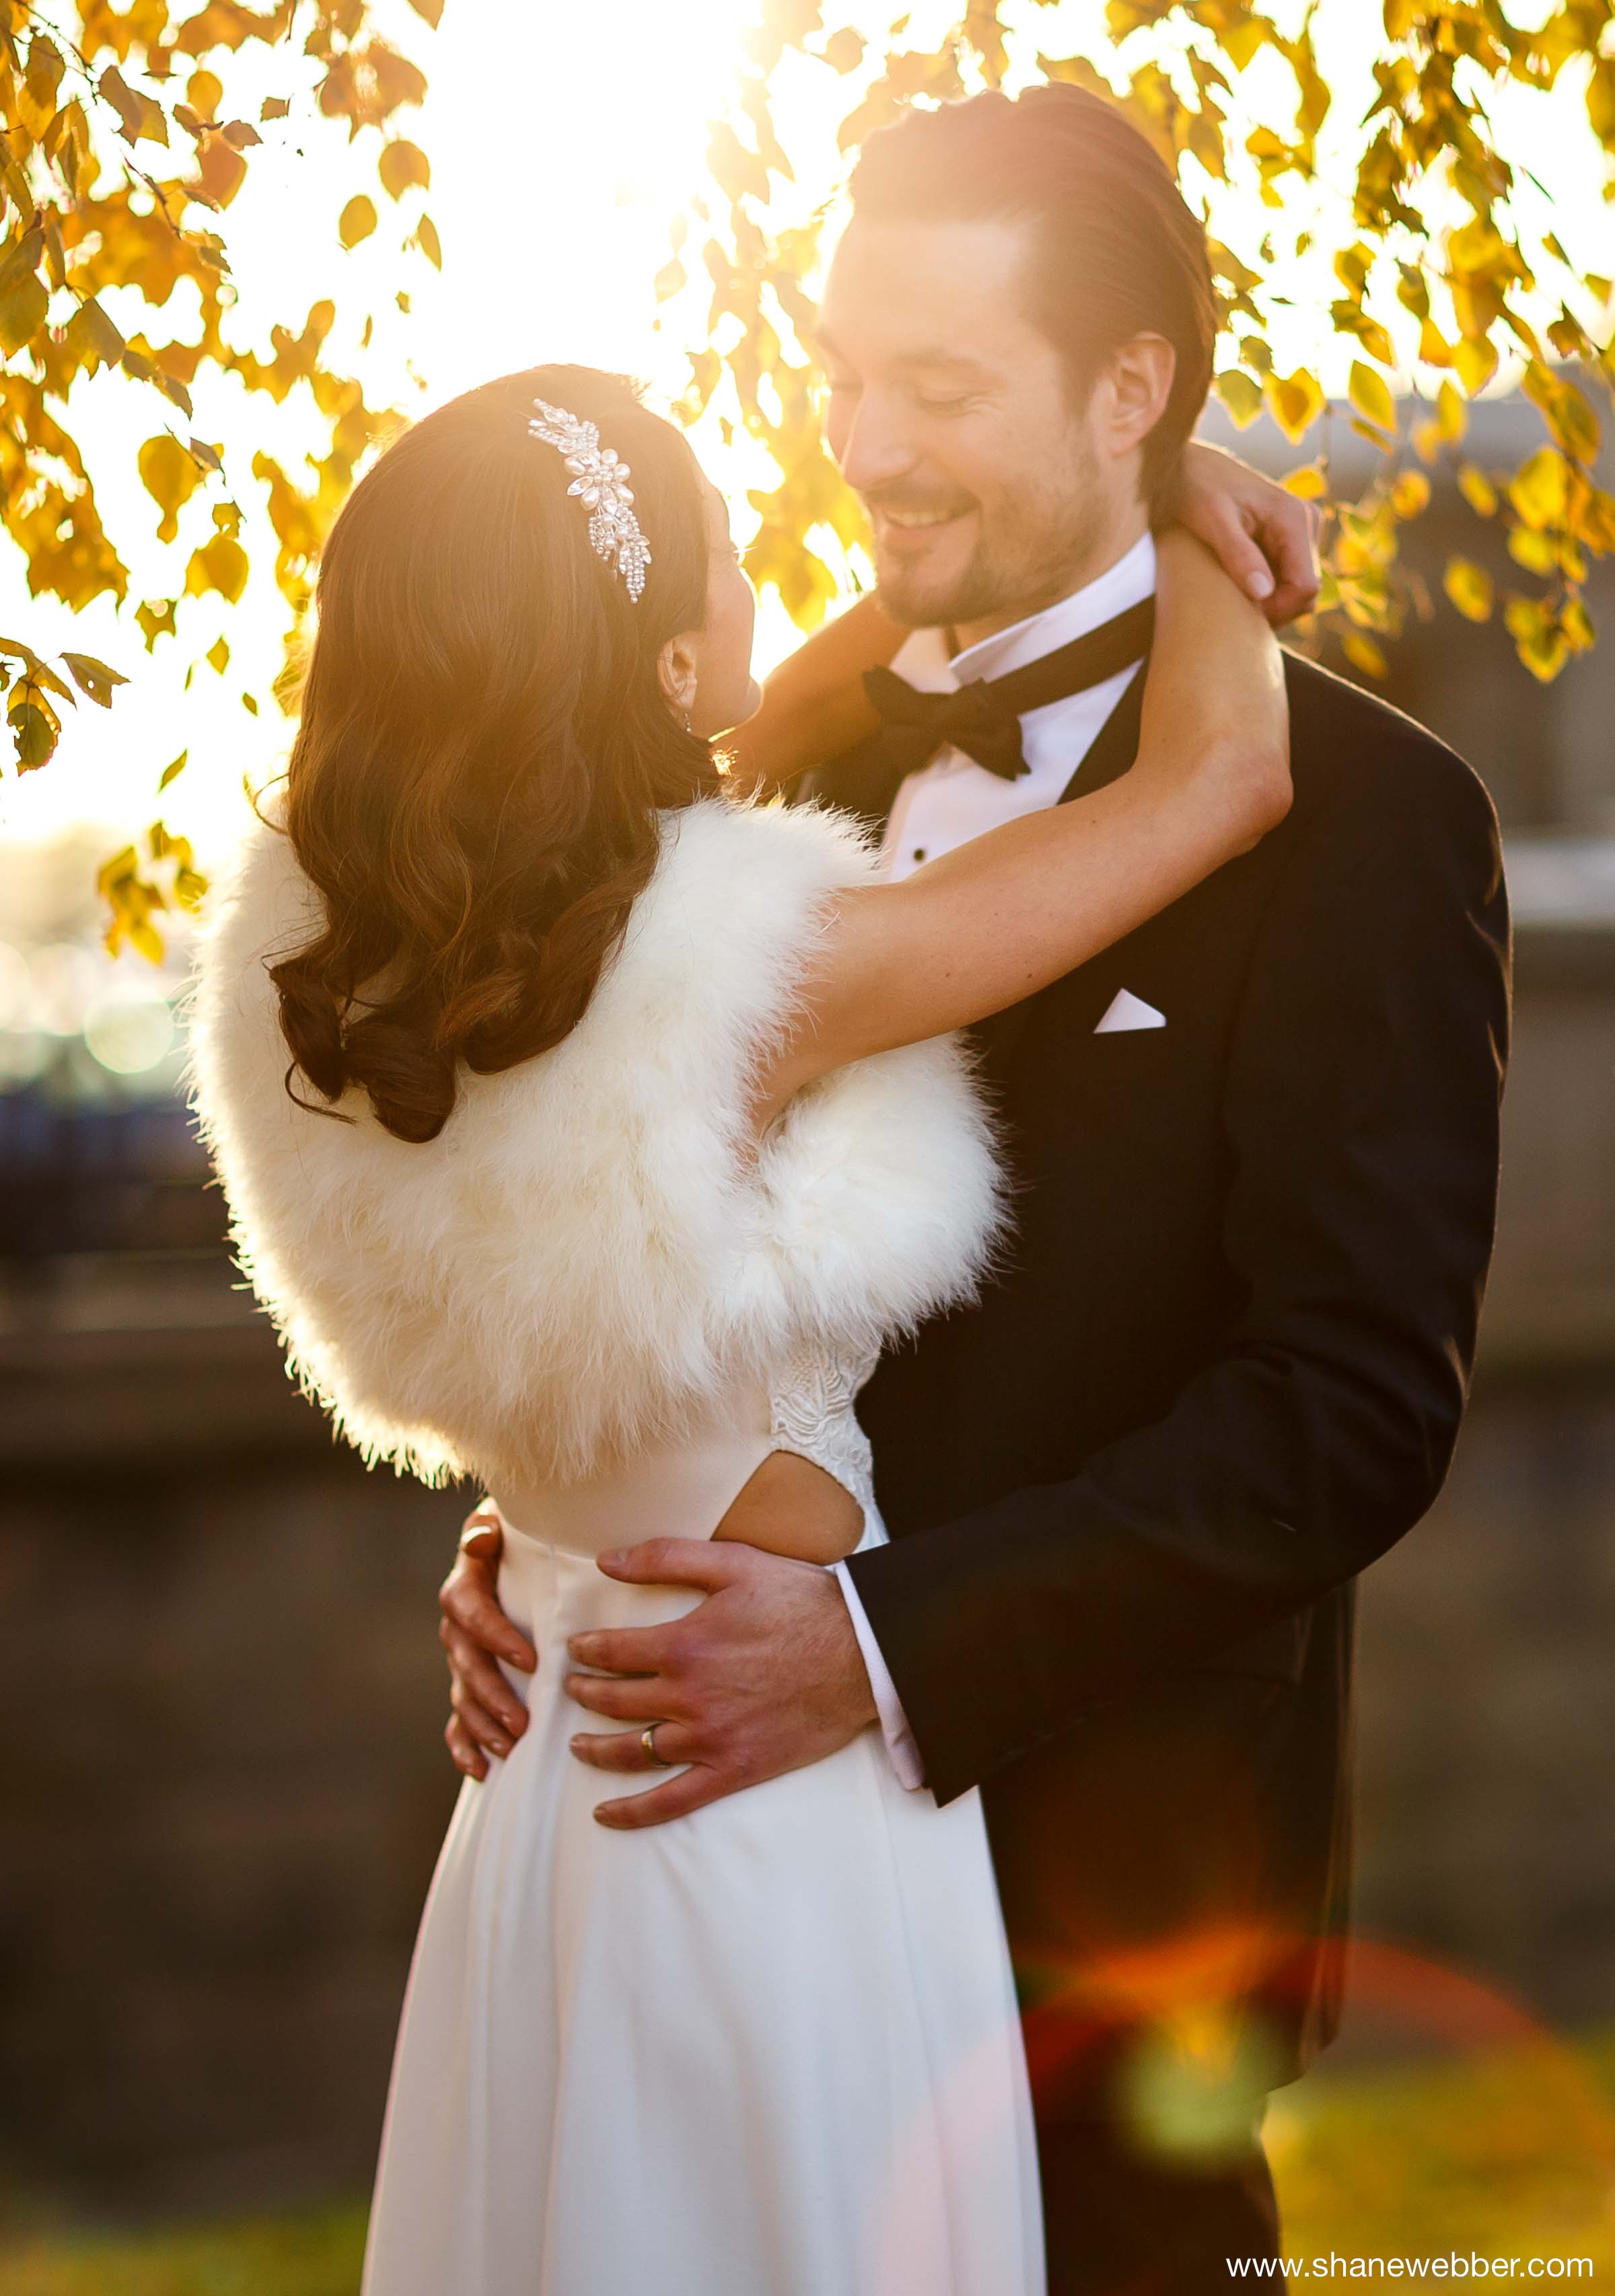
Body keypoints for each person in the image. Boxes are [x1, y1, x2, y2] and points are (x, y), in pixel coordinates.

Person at [438, 87, 1513, 2292]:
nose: (867, 439)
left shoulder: (1375, 825)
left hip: (1102, 1964)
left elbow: (1348, 1410)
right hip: (703, 1900)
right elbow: (626, 1217)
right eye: (843, 371)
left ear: (1134, 389)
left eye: (937, 385)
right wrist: (541, 1519)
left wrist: (882, 1652)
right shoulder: (761, 771)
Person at [188, 346, 1290, 2296]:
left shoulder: (339, 981)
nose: (774, 594)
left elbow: (581, 1346)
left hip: (547, 1770)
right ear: (670, 663)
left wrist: (514, 1544)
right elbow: (1226, 776)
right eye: (724, 556)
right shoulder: (750, 990)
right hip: (759, 1811)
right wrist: (1169, 503)